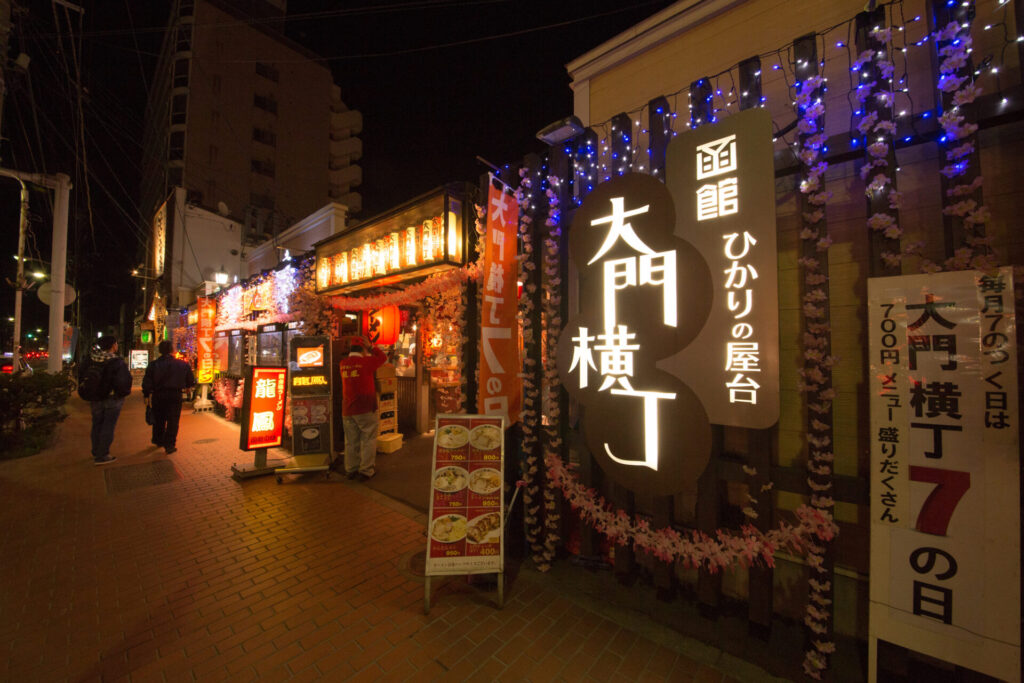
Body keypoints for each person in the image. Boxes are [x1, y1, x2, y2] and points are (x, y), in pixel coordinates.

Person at [338, 335, 387, 481]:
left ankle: (351, 469)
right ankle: (366, 470)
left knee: (351, 441)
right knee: (368, 439)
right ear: (363, 349)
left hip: (347, 409)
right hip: (365, 407)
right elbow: (383, 357)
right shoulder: (366, 362)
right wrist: (372, 347)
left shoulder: (343, 363)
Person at [81, 336, 132, 465]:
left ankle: (96, 450)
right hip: (112, 398)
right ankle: (102, 455)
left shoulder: (90, 360)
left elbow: (81, 375)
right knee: (108, 425)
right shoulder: (116, 362)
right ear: (113, 346)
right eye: (116, 344)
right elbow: (123, 381)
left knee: (97, 423)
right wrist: (121, 393)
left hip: (95, 397)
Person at [142, 340, 196, 455]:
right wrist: (187, 388)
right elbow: (190, 381)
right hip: (175, 395)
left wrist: (146, 395)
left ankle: (158, 440)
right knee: (173, 420)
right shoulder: (182, 364)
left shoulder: (153, 365)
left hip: (158, 395)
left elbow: (147, 382)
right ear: (172, 350)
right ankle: (170, 445)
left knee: (159, 419)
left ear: (160, 351)